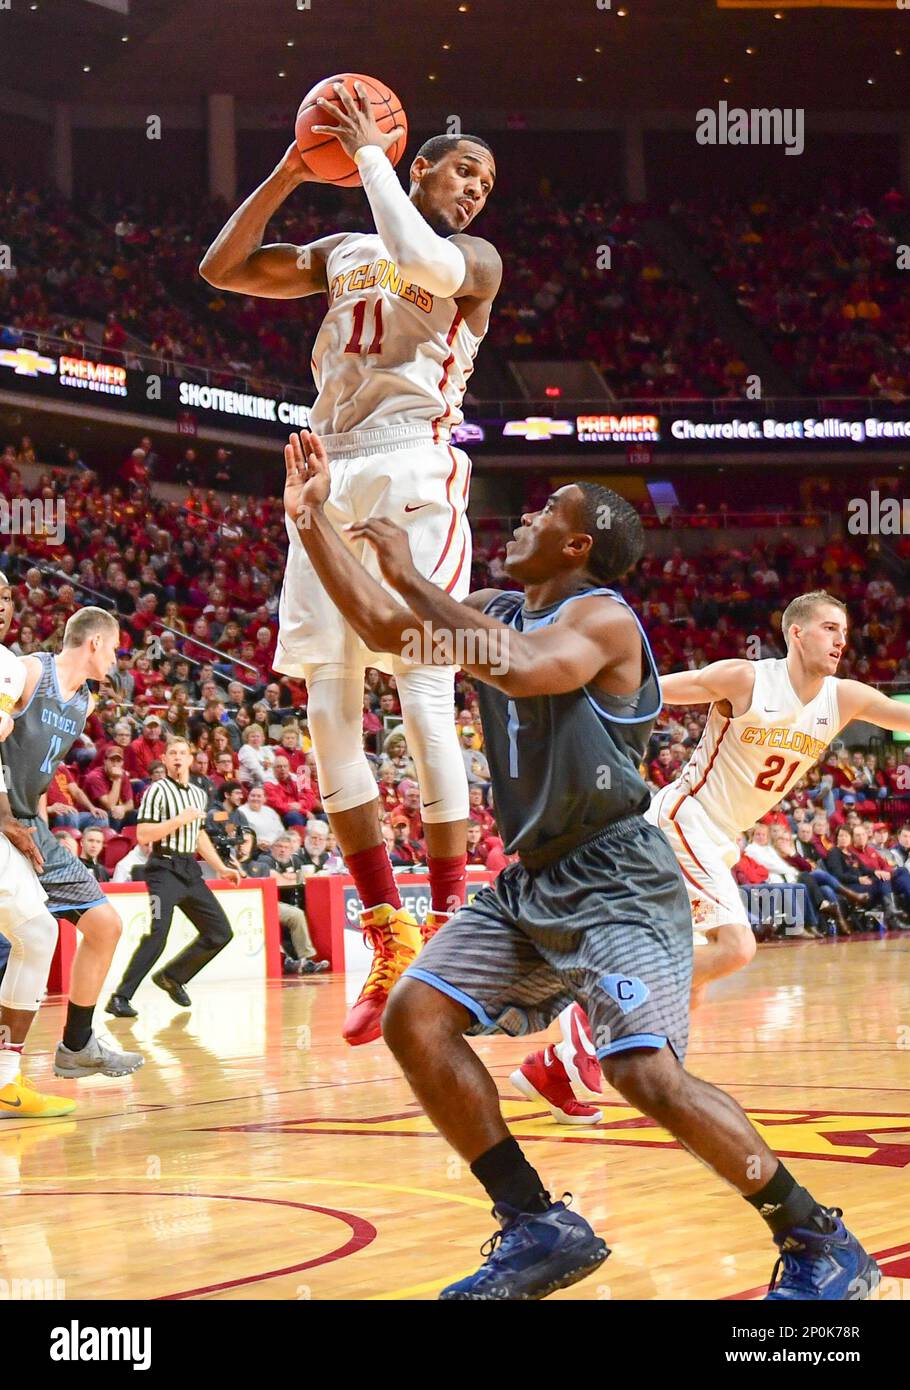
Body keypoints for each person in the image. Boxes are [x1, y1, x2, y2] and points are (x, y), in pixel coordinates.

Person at [283, 431, 879, 1302]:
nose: (523, 517)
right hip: (533, 879)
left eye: (546, 510)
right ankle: (536, 1225)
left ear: (578, 544)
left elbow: (523, 672)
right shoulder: (496, 604)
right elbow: (381, 625)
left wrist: (412, 578)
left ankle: (818, 1237)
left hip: (617, 875)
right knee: (415, 1016)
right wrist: (311, 523)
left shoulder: (602, 617)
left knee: (644, 1073)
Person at [201, 96, 501, 1047]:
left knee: (422, 689)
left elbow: (419, 262)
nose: (476, 189)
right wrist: (295, 169)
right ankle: (388, 933)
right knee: (328, 703)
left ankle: (452, 922)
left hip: (415, 457)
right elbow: (222, 268)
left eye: (487, 183)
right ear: (423, 166)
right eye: (464, 171)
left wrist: (368, 156)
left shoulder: (475, 262)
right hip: (326, 465)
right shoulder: (338, 250)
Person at [520, 589, 910, 1122]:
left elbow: (901, 717)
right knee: (735, 949)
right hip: (685, 818)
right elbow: (647, 689)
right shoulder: (745, 680)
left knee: (693, 987)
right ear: (796, 633)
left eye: (844, 630)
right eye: (828, 628)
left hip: (720, 837)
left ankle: (551, 1069)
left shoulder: (844, 698)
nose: (841, 640)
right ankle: (589, 1017)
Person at [2, 606, 143, 1081]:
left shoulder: (84, 702)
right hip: (2, 818)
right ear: (95, 643)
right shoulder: (28, 672)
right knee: (30, 937)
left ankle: (78, 1044)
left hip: (29, 822)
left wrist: (40, 829)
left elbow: (39, 777)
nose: (117, 660)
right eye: (116, 649)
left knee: (105, 925)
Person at [0, 579, 77, 1118]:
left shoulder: (7, 666)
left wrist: (14, 815)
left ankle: (6, 1078)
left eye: (5, 597)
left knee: (37, 931)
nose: (1, 606)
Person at [105, 738, 241, 1018]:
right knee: (158, 935)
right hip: (163, 870)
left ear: (191, 760)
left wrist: (221, 867)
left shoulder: (198, 794)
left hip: (189, 869)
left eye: (183, 753)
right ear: (165, 760)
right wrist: (179, 820)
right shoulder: (157, 790)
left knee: (220, 932)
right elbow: (143, 835)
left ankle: (172, 976)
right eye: (173, 754)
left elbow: (199, 835)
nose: (178, 758)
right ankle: (120, 997)